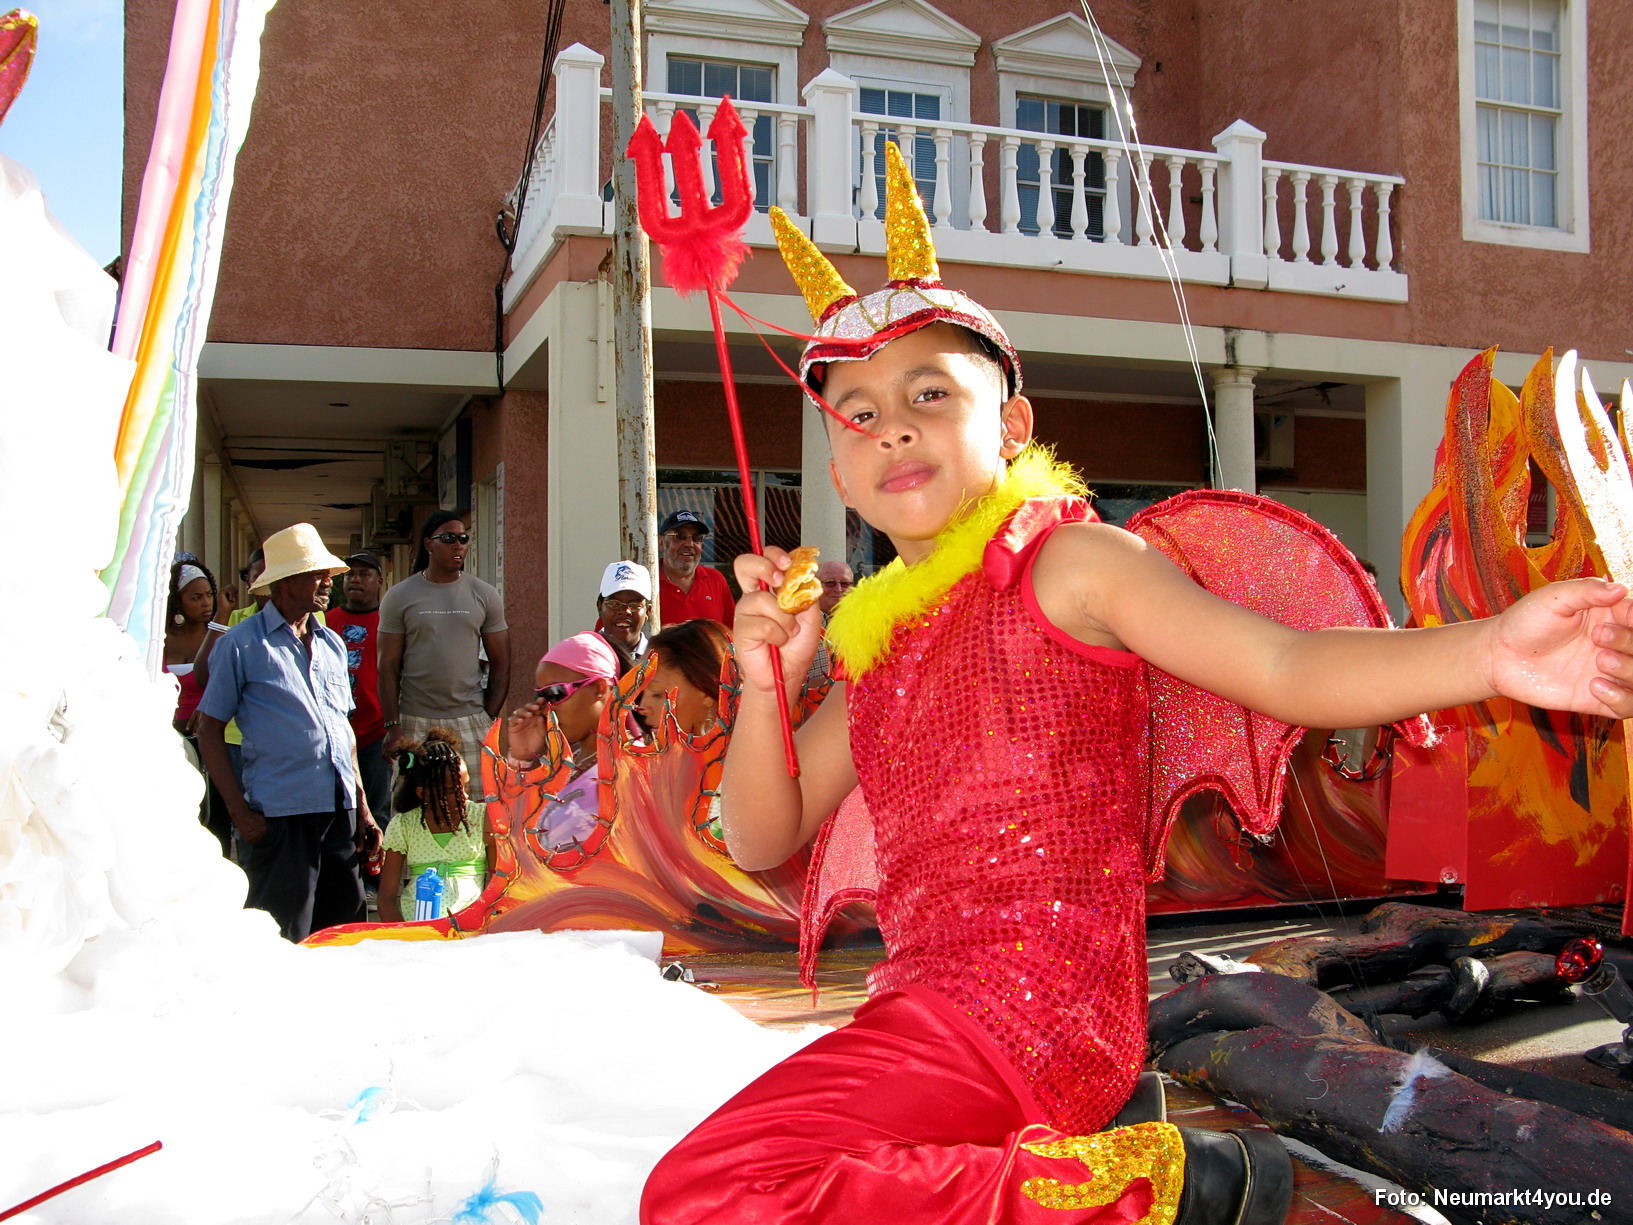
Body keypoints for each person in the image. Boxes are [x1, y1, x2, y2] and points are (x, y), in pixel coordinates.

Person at [639, 148, 1633, 1224]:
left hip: (1036, 1010)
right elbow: (759, 832)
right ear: (835, 470)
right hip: (924, 1010)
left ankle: (1144, 1188)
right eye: (860, 414)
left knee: (703, 1191)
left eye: (930, 392)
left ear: (1013, 427)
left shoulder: (1066, 564)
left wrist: (1487, 651)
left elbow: (1283, 666)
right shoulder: (878, 643)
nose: (896, 428)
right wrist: (761, 681)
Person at [195, 523, 382, 942]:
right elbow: (209, 730)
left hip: (340, 810)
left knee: (343, 932)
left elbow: (343, 731)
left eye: (326, 574)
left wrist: (364, 808)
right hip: (280, 814)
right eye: (315, 574)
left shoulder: (331, 643)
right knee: (283, 933)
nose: (326, 583)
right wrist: (240, 815)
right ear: (284, 583)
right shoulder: (242, 645)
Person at [378, 511, 510, 789]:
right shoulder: (400, 595)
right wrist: (393, 726)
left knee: (479, 811)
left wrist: (488, 718)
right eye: (449, 538)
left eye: (463, 538)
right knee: (412, 810)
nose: (458, 545)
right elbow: (387, 665)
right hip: (414, 721)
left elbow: (502, 661)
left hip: (470, 721)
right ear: (429, 544)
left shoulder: (484, 594)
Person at [507, 632, 621, 850]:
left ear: (600, 689)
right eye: (539, 696)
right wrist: (520, 758)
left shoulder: (631, 768)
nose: (545, 707)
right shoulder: (568, 765)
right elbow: (500, 835)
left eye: (555, 693)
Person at [374, 727, 492, 923]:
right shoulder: (403, 825)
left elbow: (499, 883)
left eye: (465, 786)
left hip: (472, 925)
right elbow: (386, 899)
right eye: (451, 791)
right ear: (423, 793)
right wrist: (404, 936)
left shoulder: (482, 817)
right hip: (418, 926)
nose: (464, 796)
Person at [324, 550, 392, 891]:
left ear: (380, 581)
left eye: (365, 574)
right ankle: (344, 878)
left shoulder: (390, 621)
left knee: (377, 809)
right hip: (336, 733)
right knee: (341, 808)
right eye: (350, 573)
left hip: (376, 731)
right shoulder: (325, 620)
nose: (356, 579)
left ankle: (375, 879)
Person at [164, 558, 232, 855]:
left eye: (208, 596)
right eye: (195, 597)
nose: (206, 603)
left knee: (214, 815)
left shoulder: (219, 636)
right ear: (177, 603)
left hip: (211, 740)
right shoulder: (158, 638)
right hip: (166, 740)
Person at [655, 510, 735, 628]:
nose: (690, 544)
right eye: (680, 537)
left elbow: (732, 632)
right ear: (661, 543)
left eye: (697, 538)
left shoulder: (716, 580)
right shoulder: (648, 580)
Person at [597, 559, 652, 674]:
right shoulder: (581, 656)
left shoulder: (658, 660)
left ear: (648, 611)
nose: (625, 611)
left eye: (634, 605)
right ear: (600, 607)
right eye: (614, 604)